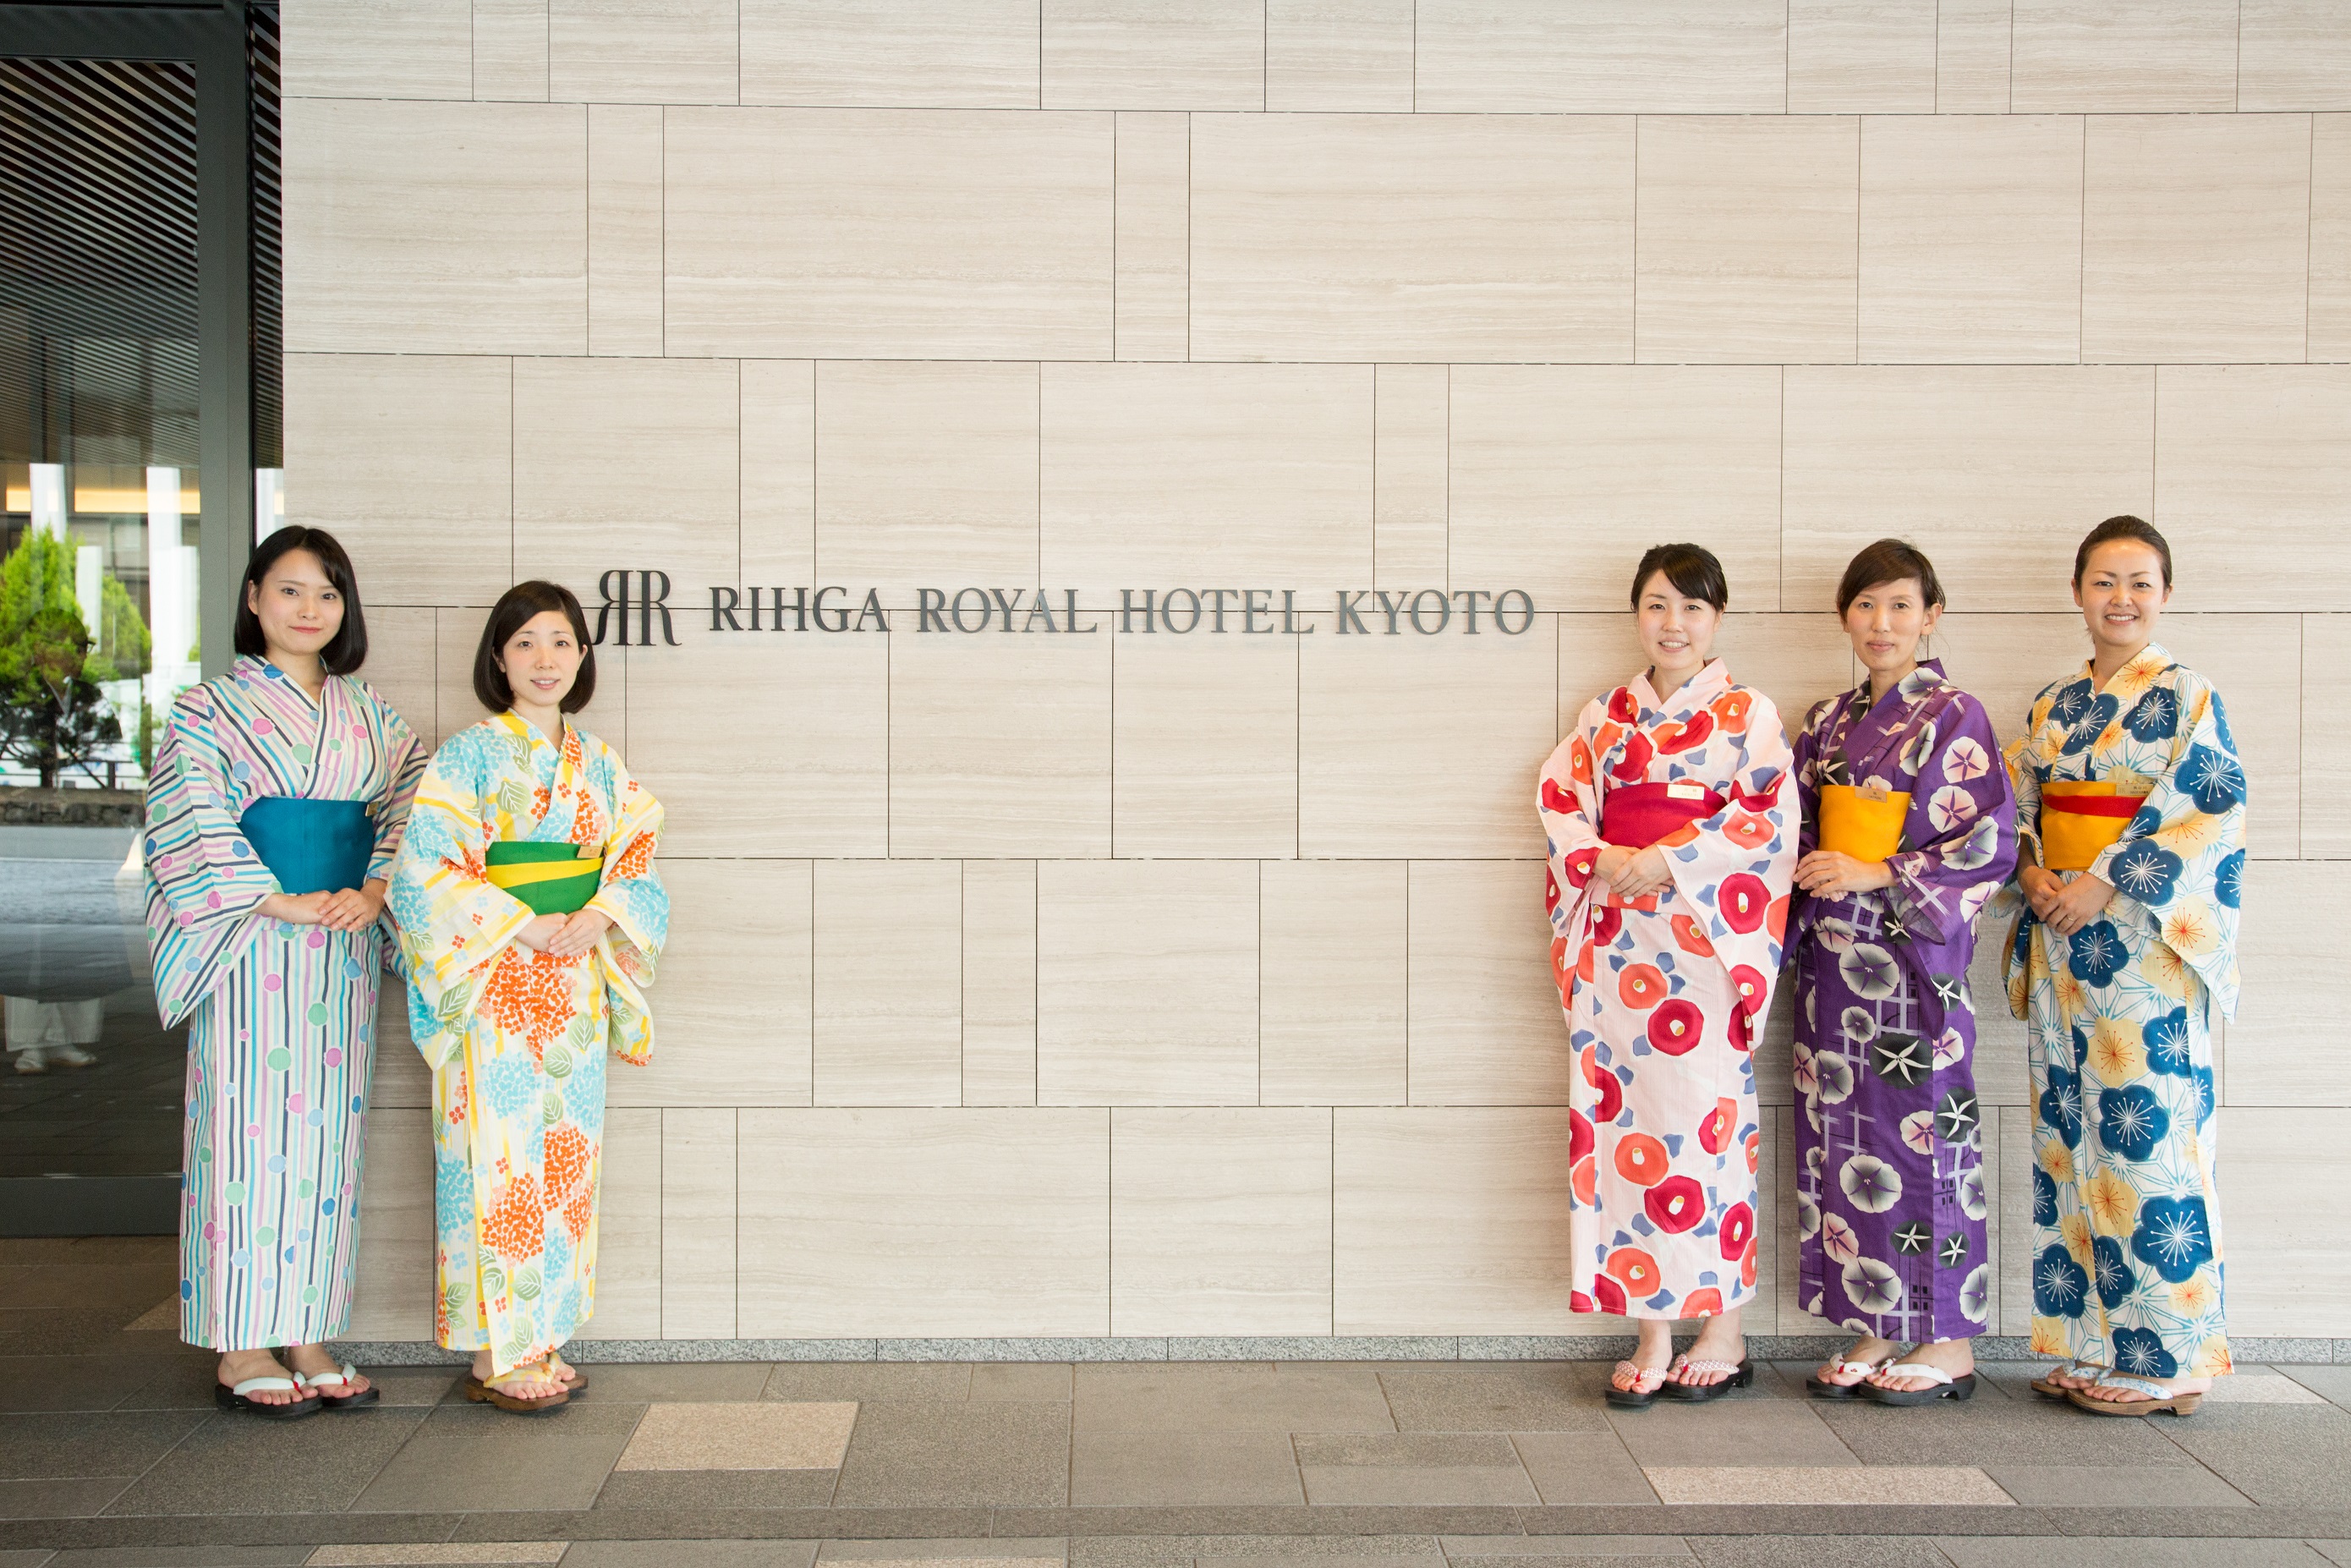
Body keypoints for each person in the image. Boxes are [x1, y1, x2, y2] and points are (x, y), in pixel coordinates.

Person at [145, 526, 424, 1417]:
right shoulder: (207, 711)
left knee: (325, 1144)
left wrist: (377, 887)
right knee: (243, 1132)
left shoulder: (371, 717)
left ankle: (305, 1327)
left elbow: (415, 800)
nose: (310, 610)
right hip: (251, 941)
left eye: (328, 595)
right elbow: (186, 815)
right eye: (293, 590)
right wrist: (274, 899)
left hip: (338, 943)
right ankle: (240, 1340)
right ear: (255, 596)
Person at [388, 581, 666, 1413]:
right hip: (496, 981)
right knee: (496, 1161)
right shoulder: (467, 757)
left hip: (573, 984)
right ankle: (495, 1355)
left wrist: (601, 913)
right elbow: (424, 869)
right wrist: (522, 923)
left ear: (582, 656)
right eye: (525, 644)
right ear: (498, 658)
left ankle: (541, 1334)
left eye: (561, 642)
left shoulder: (600, 763)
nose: (545, 660)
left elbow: (636, 853)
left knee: (565, 1164)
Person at [1538, 543, 1796, 1407]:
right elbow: (1560, 803)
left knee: (1704, 1126)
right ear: (1636, 614)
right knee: (1619, 1127)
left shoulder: (1744, 714)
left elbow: (1765, 822)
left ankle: (1720, 1325)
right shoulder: (1603, 717)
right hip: (1615, 945)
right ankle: (1649, 1324)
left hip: (1699, 949)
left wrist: (1672, 859)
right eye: (1656, 605)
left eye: (1691, 607)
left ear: (1715, 618)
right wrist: (1606, 855)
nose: (1672, 624)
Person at [2007, 516, 2242, 1418]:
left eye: (2139, 583)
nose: (2120, 600)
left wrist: (2102, 883)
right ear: (2076, 592)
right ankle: (2102, 1345)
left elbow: (2203, 811)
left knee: (2149, 1141)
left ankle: (2173, 1356)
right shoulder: (2050, 704)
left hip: (2141, 945)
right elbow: (2020, 805)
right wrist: (2031, 872)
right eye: (2104, 582)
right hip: (2061, 942)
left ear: (2165, 595)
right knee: (2072, 1139)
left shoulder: (2187, 696)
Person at [1789, 540, 2016, 1406]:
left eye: (1897, 605)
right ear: (1844, 616)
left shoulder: (1954, 716)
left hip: (1914, 966)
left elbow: (1984, 843)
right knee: (1852, 1141)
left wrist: (1873, 871)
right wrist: (1817, 868)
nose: (1879, 624)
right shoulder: (1823, 722)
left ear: (1929, 615)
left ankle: (1948, 1340)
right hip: (1835, 972)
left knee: (1925, 1135)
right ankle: (1880, 1318)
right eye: (1863, 606)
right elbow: (1794, 831)